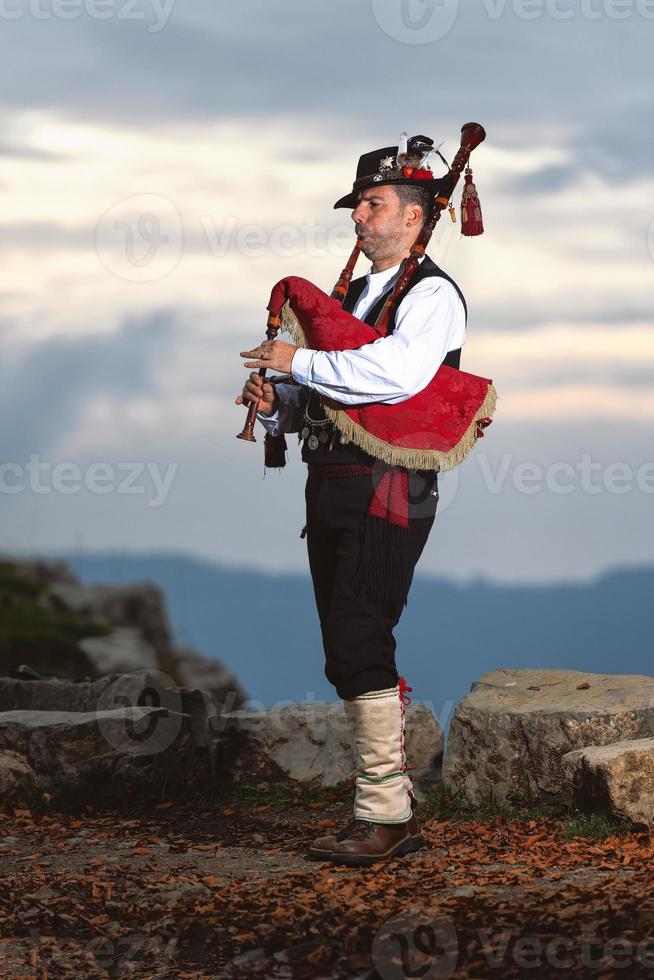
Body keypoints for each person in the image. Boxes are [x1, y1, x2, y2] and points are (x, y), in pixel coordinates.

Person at [236, 137, 467, 867]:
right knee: (349, 647)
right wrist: (278, 400)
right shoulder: (352, 300)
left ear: (414, 216)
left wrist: (298, 359)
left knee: (359, 638)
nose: (359, 218)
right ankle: (388, 799)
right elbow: (328, 397)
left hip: (389, 488)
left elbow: (392, 375)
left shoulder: (433, 296)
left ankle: (386, 816)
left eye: (373, 205)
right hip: (333, 481)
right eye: (358, 206)